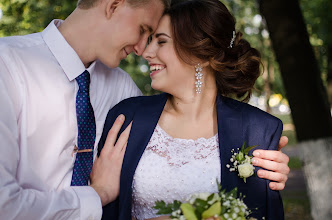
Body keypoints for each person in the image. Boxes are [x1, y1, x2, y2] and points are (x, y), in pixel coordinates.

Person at [99, 0, 289, 219]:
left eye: (161, 42)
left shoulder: (259, 130)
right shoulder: (126, 117)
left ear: (201, 53)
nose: (146, 52)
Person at [0, 0, 169, 219]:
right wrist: (98, 194)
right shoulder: (7, 65)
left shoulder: (123, 90)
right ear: (113, 5)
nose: (140, 49)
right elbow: (4, 205)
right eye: (142, 30)